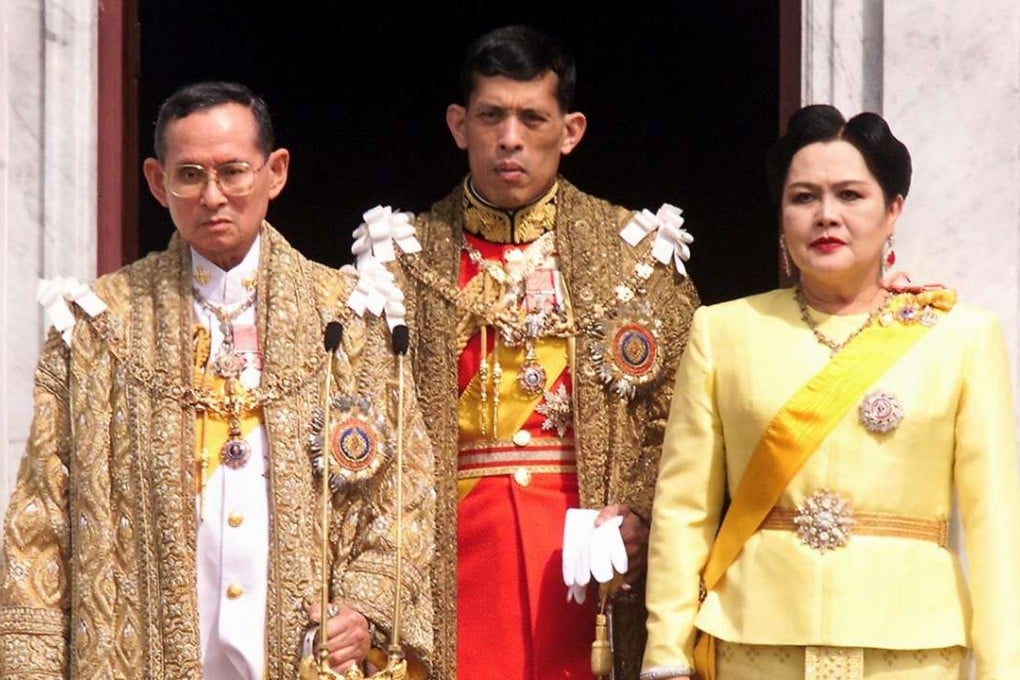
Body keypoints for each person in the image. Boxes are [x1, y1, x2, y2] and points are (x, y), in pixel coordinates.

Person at [0, 81, 435, 679]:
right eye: (189, 176)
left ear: (274, 172)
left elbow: (404, 491)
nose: (213, 196)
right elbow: (40, 524)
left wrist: (364, 608)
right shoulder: (98, 327)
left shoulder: (349, 316)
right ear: (156, 182)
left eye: (233, 171)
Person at [351, 24, 699, 679]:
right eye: (491, 116)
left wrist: (643, 516)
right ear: (459, 125)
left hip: (588, 569)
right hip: (449, 566)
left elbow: (687, 418)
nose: (510, 138)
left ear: (570, 130)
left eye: (532, 118)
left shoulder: (640, 257)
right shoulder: (397, 262)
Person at [641, 104, 1020, 680]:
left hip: (910, 650)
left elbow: (996, 524)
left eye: (850, 195)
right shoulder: (723, 331)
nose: (826, 216)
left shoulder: (960, 337)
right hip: (756, 642)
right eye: (803, 198)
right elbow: (683, 510)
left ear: (893, 210)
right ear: (781, 215)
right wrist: (665, 654)